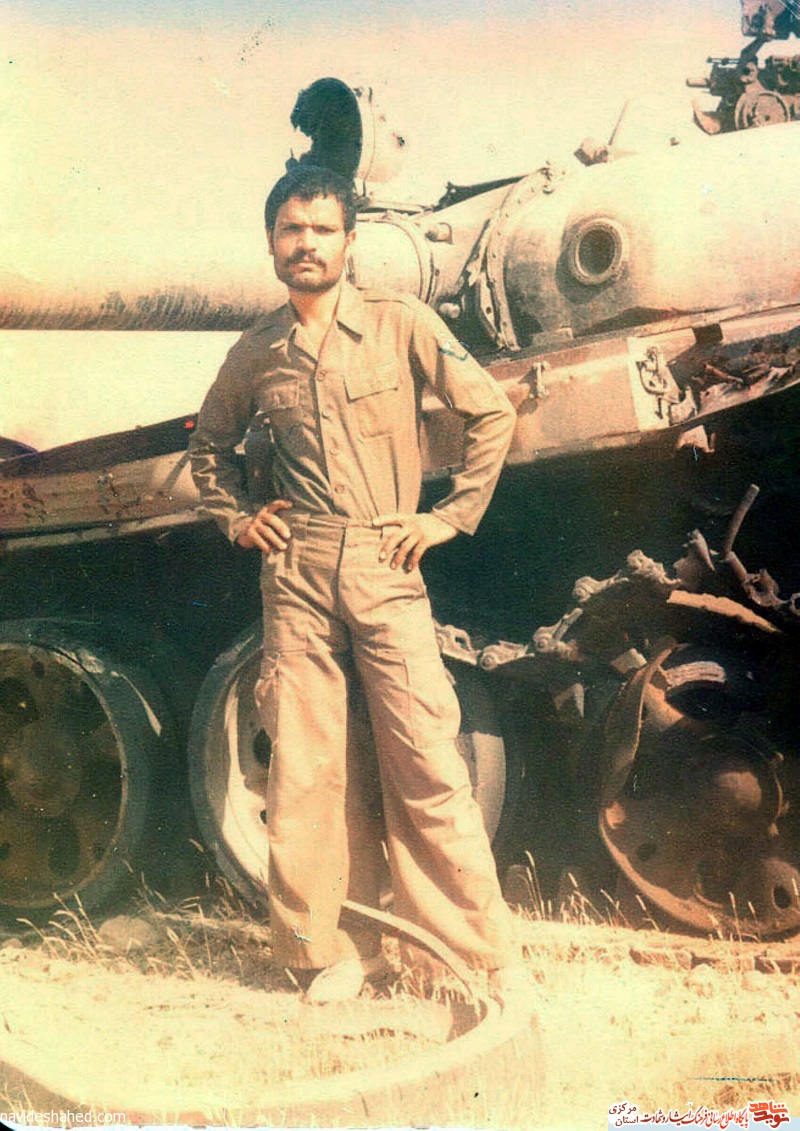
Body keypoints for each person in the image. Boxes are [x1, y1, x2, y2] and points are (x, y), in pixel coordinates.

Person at [189, 163, 520, 1003]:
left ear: (349, 241)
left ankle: (473, 958)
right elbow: (207, 449)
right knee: (306, 770)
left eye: (322, 229)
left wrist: (449, 517)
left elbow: (491, 411)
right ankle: (334, 952)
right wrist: (237, 517)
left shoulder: (401, 323)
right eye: (291, 229)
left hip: (384, 560)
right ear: (272, 242)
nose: (306, 243)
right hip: (296, 574)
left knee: (426, 760)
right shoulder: (255, 352)